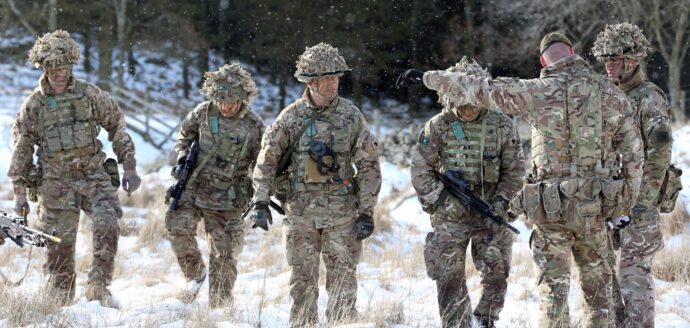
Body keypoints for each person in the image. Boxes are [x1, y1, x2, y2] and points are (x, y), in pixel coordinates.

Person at [397, 32, 644, 328]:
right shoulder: (613, 95)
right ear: (573, 52)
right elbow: (634, 159)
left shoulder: (537, 91)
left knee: (554, 292)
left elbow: (480, 89)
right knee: (599, 296)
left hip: (551, 209)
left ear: (543, 61)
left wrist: (427, 77)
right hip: (595, 208)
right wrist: (623, 205)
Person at [248, 42, 381, 327]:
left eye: (336, 78)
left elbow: (369, 165)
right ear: (311, 82)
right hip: (300, 215)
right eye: (327, 79)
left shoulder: (351, 116)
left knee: (344, 284)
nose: (334, 84)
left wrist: (367, 211)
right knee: (301, 285)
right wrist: (260, 201)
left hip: (342, 215)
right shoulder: (291, 117)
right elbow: (267, 160)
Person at [8, 30, 140, 307]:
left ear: (71, 65)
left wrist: (129, 165)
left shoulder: (89, 94)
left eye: (64, 67)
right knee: (59, 243)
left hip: (93, 174)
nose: (59, 74)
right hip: (55, 181)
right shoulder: (34, 105)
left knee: (107, 224)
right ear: (44, 68)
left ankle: (98, 288)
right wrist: (20, 194)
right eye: (53, 68)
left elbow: (116, 124)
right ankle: (60, 296)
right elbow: (21, 148)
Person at [411, 57, 524, 328]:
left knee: (496, 273)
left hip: (491, 212)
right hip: (451, 213)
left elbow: (516, 171)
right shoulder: (438, 125)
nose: (467, 108)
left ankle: (485, 319)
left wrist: (500, 202)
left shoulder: (502, 125)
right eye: (459, 100)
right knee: (448, 274)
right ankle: (456, 323)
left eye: (472, 100)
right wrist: (439, 201)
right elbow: (420, 169)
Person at [592, 23, 676, 328]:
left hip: (638, 204)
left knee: (634, 275)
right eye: (606, 60)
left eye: (615, 59)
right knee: (602, 275)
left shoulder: (648, 97)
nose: (609, 65)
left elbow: (659, 155)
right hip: (606, 201)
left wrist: (637, 204)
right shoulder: (603, 96)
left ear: (632, 60)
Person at [165, 63, 264, 307]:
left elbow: (264, 162)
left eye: (230, 101)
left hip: (229, 196)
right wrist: (182, 158)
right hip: (195, 186)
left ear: (242, 98)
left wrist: (261, 192)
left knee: (225, 254)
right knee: (176, 225)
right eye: (220, 100)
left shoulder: (255, 126)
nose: (225, 106)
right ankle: (195, 274)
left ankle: (220, 306)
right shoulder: (203, 113)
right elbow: (184, 137)